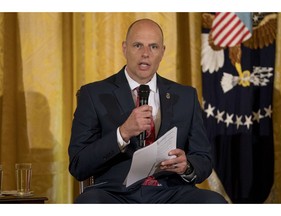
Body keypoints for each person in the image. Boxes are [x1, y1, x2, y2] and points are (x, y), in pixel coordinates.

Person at [68, 18, 227, 203]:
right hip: (115, 193)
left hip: (171, 192)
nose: (145, 54)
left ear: (162, 52)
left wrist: (187, 166)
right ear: (124, 48)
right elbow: (78, 164)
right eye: (137, 45)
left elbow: (203, 158)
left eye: (153, 47)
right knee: (89, 203)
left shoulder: (186, 96)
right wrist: (123, 133)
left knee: (214, 203)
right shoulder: (94, 94)